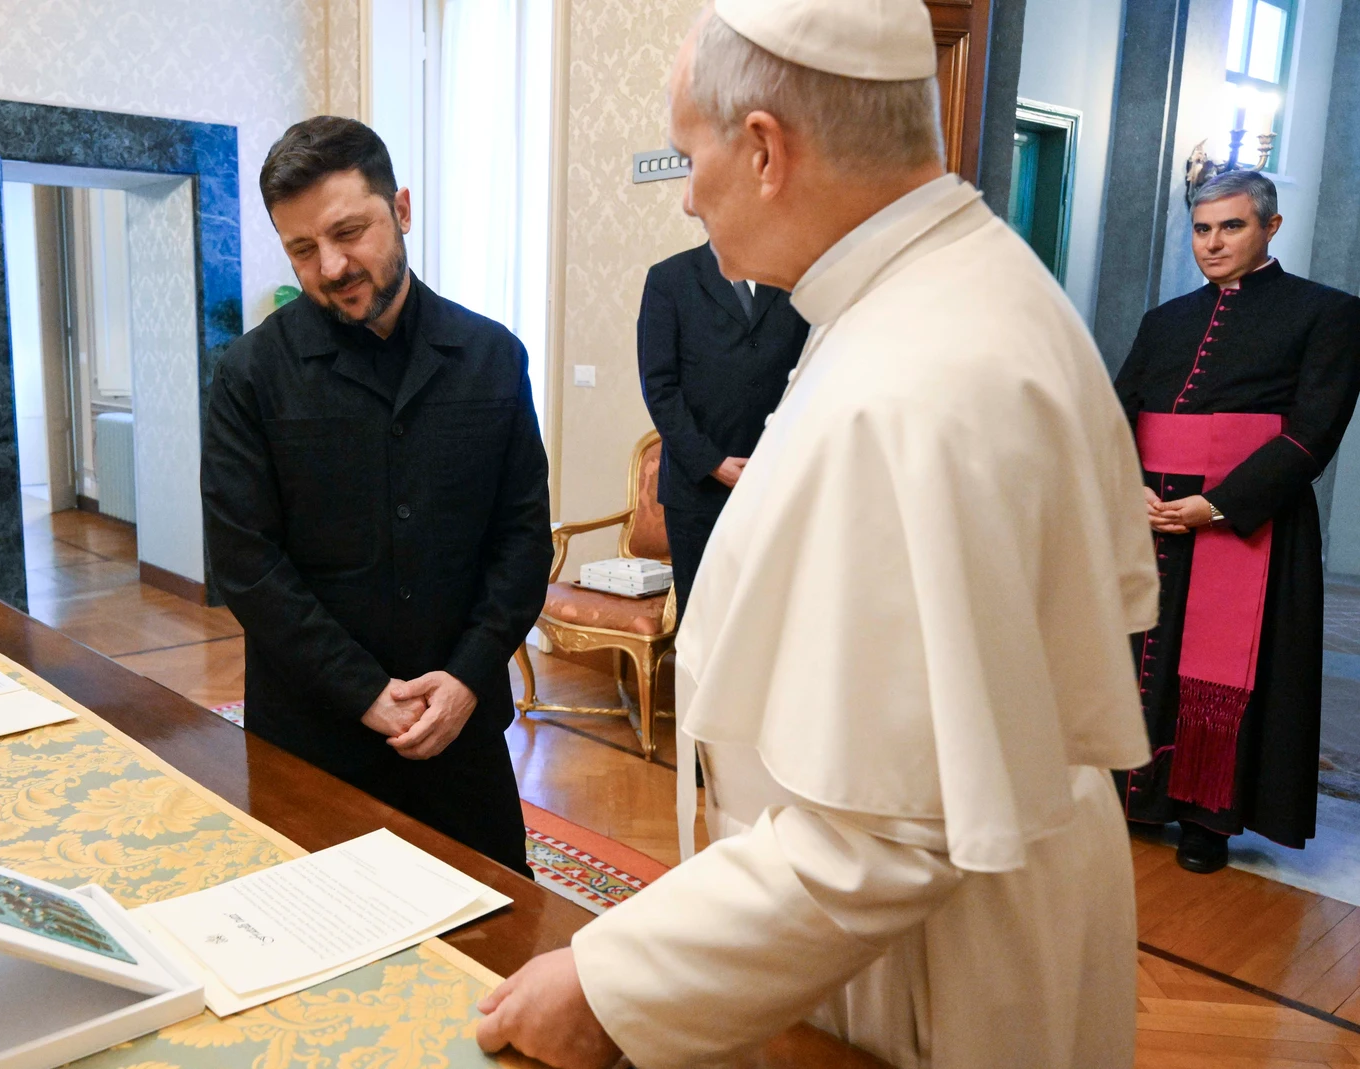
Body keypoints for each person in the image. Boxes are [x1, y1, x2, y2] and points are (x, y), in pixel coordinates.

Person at [475, 1, 1157, 1066]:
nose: (687, 189)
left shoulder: (915, 376)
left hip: (926, 967)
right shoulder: (954, 291)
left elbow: (883, 832)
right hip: (947, 913)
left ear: (761, 150)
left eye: (686, 151)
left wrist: (610, 983)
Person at [201, 116, 552, 875]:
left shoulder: (492, 358)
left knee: (493, 944)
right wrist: (365, 692)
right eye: (302, 249)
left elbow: (523, 539)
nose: (330, 265)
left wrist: (464, 677)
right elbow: (246, 564)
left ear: (401, 208)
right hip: (312, 733)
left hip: (462, 735)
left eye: (348, 231)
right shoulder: (249, 376)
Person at [1114, 169, 1360, 875]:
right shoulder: (1165, 320)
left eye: (1231, 227)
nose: (1213, 243)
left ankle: (1204, 817)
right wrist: (1129, 487)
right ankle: (1137, 795)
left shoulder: (1327, 313)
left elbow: (1313, 432)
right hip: (1153, 514)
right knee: (1138, 658)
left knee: (1225, 670)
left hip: (1248, 523)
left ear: (1270, 228)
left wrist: (1217, 503)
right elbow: (1114, 414)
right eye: (1201, 229)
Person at [638, 243, 809, 613]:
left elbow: (810, 373)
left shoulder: (792, 273)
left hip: (777, 482)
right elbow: (659, 387)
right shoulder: (669, 278)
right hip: (696, 489)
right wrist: (713, 462)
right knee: (703, 618)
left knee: (770, 617)